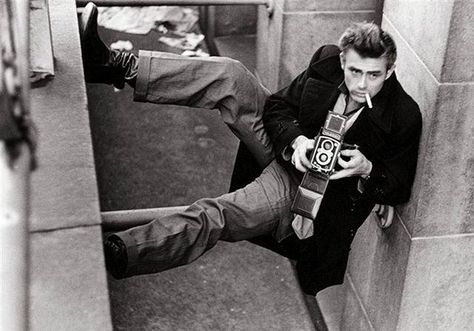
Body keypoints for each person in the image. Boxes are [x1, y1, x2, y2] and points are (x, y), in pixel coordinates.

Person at [80, 2, 422, 295]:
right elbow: (278, 108)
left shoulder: (404, 115)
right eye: (355, 71)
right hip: (289, 151)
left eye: (374, 75)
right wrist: (298, 141)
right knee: (232, 75)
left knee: (218, 213)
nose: (362, 84)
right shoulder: (327, 61)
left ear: (390, 70)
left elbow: (398, 185)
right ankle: (115, 65)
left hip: (302, 194)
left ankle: (124, 251)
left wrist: (366, 169)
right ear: (343, 60)